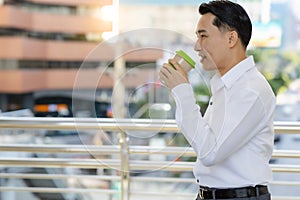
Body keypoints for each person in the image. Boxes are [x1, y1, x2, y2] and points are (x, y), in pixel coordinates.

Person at [159, 1, 276, 200]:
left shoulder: (251, 90)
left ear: (231, 38)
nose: (197, 46)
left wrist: (183, 91)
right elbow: (205, 139)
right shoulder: (224, 86)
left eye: (203, 36)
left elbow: (210, 152)